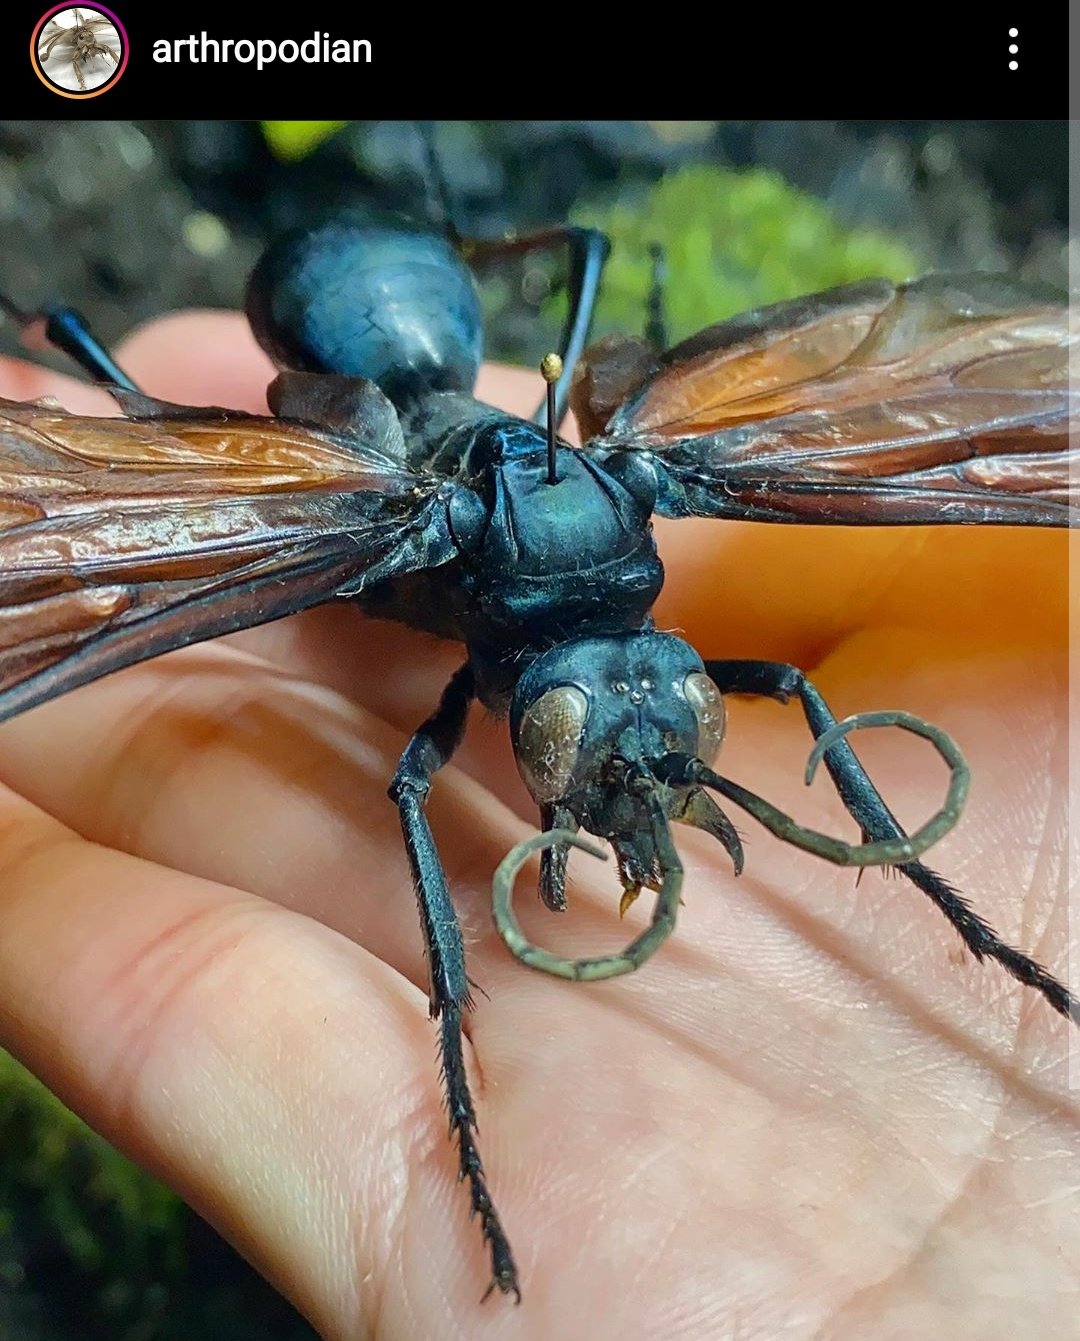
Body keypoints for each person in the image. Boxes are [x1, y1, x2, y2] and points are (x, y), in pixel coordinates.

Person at [0, 312, 1074, 1337]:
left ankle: (979, 934)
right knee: (407, 777)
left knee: (786, 679)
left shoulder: (638, 507)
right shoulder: (433, 535)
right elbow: (407, 785)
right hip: (370, 418)